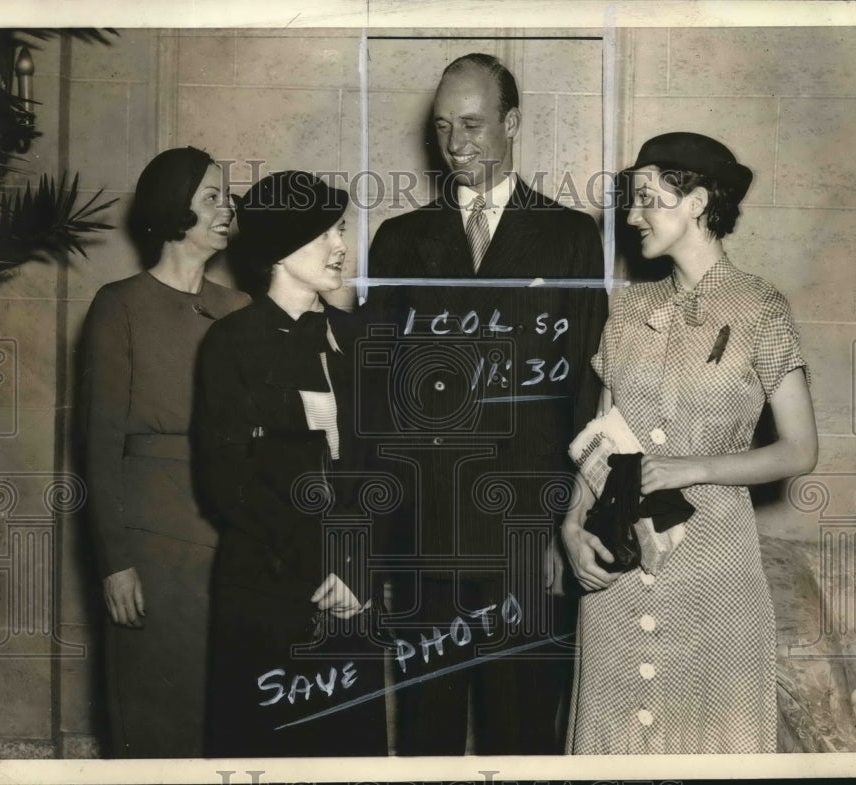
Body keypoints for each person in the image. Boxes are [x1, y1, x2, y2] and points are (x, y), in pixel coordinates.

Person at [368, 52, 607, 755]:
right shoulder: (399, 240)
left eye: (472, 124)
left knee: (524, 735)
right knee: (424, 739)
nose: (456, 144)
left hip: (526, 543)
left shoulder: (568, 237)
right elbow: (378, 408)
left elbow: (586, 396)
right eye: (443, 127)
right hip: (425, 545)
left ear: (512, 123)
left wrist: (570, 523)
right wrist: (382, 550)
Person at [561, 132, 818, 754]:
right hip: (621, 565)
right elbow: (599, 436)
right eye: (631, 200)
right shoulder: (626, 311)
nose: (631, 216)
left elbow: (799, 449)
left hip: (715, 572)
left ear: (698, 201)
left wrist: (689, 467)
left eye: (648, 199)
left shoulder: (761, 309)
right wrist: (571, 525)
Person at [194, 171, 389, 757]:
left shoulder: (355, 341)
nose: (341, 245)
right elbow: (227, 484)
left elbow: (383, 470)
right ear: (281, 247)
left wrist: (357, 568)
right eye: (327, 231)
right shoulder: (231, 344)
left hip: (351, 597)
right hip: (269, 596)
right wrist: (317, 566)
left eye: (342, 228)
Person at [80, 146, 250, 757]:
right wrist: (114, 562)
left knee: (228, 724)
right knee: (157, 726)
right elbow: (99, 445)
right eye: (212, 197)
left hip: (232, 544)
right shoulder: (118, 306)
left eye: (226, 196)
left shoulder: (240, 309)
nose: (227, 208)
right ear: (174, 209)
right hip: (152, 549)